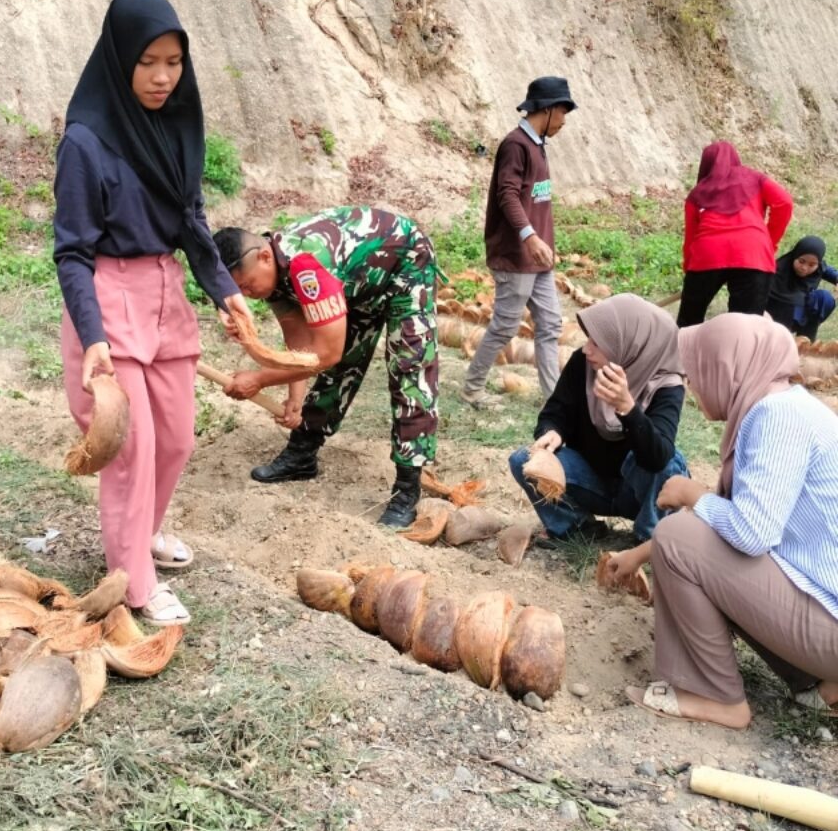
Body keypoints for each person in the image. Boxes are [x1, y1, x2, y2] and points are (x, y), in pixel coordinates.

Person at [55, 0, 250, 625]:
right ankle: (133, 579)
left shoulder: (174, 125)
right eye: (148, 63)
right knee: (132, 448)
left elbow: (191, 219)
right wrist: (92, 336)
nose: (164, 76)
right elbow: (72, 253)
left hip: (164, 293)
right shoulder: (86, 143)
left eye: (174, 61)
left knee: (177, 439)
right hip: (109, 299)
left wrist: (224, 289)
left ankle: (145, 532)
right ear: (120, 60)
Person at [623, 314, 838, 730]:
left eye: (697, 373)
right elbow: (733, 534)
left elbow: (750, 533)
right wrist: (638, 555)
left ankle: (713, 694)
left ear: (725, 368)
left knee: (677, 534)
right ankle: (820, 685)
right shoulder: (791, 405)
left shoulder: (776, 417)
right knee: (690, 538)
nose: (693, 387)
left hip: (829, 626)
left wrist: (693, 494)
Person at [212, 207, 438, 528]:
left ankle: (406, 489)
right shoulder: (272, 276)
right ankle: (302, 453)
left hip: (405, 267)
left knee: (410, 372)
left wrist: (260, 379)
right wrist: (295, 399)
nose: (247, 296)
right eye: (240, 291)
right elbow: (300, 344)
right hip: (357, 282)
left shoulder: (306, 265)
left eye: (247, 286)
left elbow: (325, 353)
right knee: (344, 366)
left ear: (264, 256)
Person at [509, 294, 688, 544]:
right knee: (523, 460)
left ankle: (649, 539)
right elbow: (555, 413)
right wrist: (553, 431)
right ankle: (578, 527)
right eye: (588, 339)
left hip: (638, 493)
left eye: (597, 342)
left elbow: (657, 457)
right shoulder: (583, 364)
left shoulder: (666, 384)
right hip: (592, 481)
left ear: (628, 346)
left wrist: (627, 408)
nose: (586, 349)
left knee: (670, 464)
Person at [460, 76, 574, 408]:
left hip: (537, 257)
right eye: (563, 112)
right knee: (506, 325)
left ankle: (553, 398)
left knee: (550, 324)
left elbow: (536, 201)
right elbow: (507, 195)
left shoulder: (537, 145)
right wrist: (530, 237)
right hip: (516, 255)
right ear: (548, 109)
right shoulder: (516, 145)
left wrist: (545, 241)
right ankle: (472, 389)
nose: (565, 121)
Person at [676, 141, 792, 327]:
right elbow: (784, 203)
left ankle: (680, 354)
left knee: (688, 324)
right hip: (753, 254)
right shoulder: (756, 178)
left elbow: (690, 238)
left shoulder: (698, 193)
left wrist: (692, 278)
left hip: (708, 255)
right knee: (746, 327)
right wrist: (769, 242)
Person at [766, 235, 838, 342]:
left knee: (824, 298)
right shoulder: (779, 270)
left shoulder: (819, 268)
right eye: (801, 261)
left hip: (801, 312)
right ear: (795, 255)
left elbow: (833, 274)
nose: (805, 268)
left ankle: (806, 338)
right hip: (776, 317)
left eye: (811, 265)